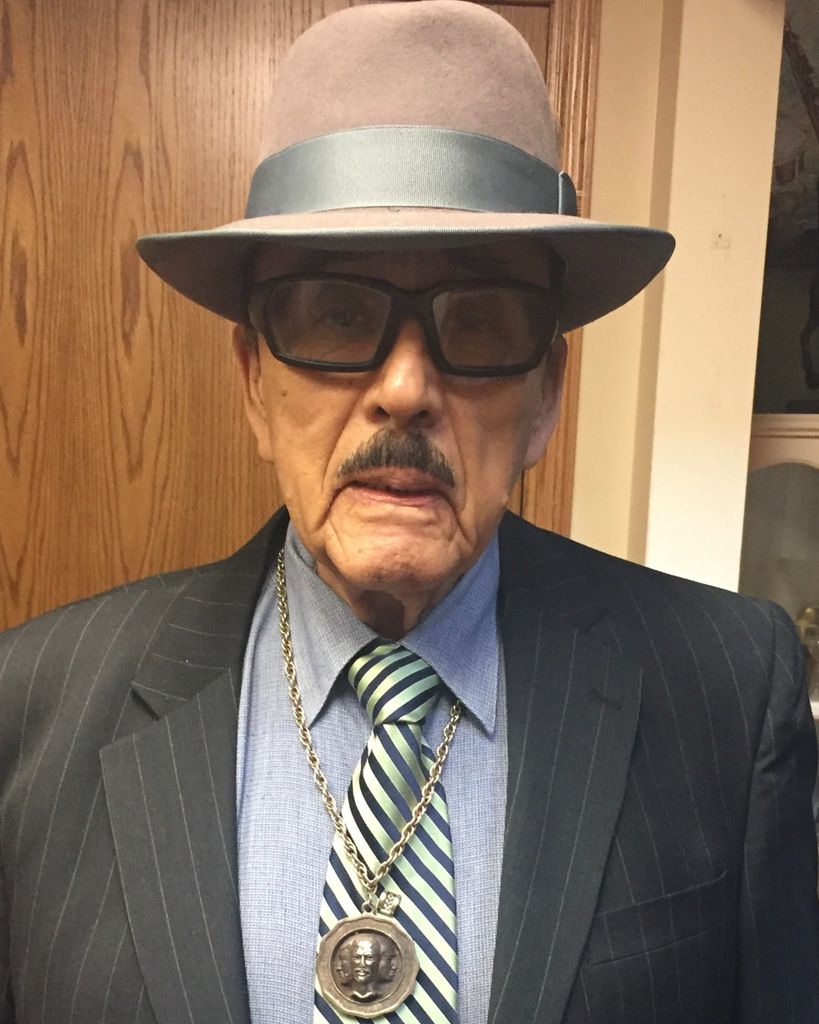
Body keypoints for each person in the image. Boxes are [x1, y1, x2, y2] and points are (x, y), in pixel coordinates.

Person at [1, 3, 817, 1024]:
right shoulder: (31, 705)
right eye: (337, 313)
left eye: (478, 321)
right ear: (253, 383)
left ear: (546, 396)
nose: (403, 388)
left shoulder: (727, 691)